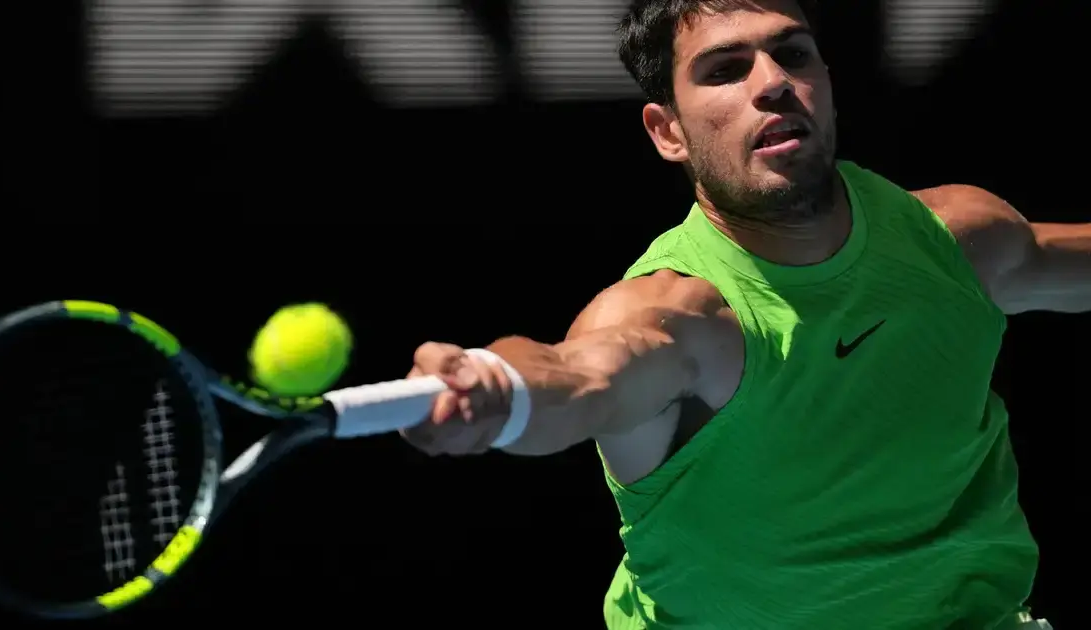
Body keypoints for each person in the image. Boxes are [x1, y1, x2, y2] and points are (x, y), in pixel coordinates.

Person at [399, 0, 1089, 627]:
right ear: (668, 131)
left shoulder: (958, 239)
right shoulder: (679, 316)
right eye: (725, 70)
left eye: (792, 54)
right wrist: (498, 385)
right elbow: (577, 376)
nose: (772, 83)